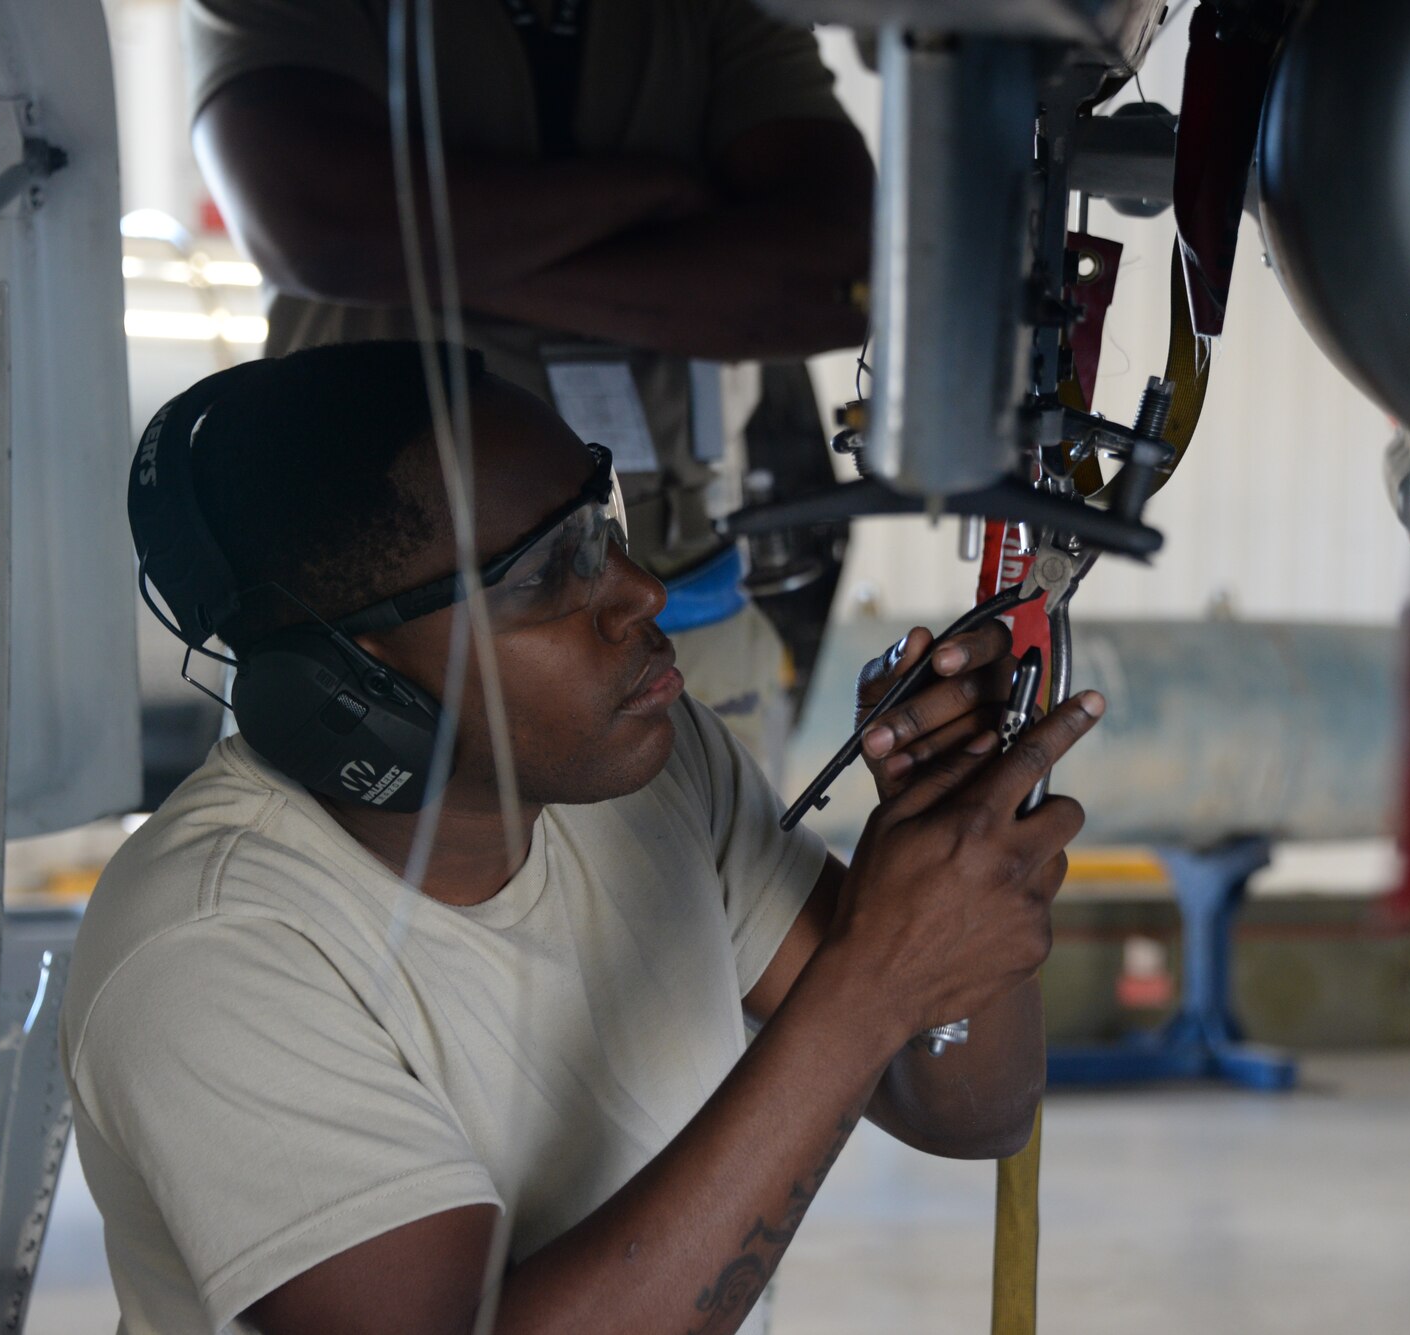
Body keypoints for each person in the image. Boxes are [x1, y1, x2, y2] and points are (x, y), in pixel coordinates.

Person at [67, 343, 1105, 1335]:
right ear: (344, 686)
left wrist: (947, 837)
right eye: (545, 574)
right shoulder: (213, 951)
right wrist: (871, 976)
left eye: (598, 524)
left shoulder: (647, 767)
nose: (639, 591)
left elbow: (968, 1109)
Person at [182, 0, 875, 775]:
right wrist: (656, 196)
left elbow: (841, 276)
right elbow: (318, 224)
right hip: (399, 628)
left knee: (710, 886)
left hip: (681, 592)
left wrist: (430, 260)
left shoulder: (717, 13)